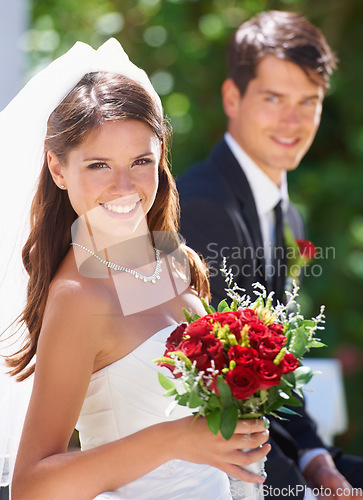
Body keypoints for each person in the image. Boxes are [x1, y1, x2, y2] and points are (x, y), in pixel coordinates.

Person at [0, 38, 271, 500]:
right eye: (99, 164)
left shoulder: (166, 255)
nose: (123, 187)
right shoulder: (78, 299)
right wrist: (176, 440)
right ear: (58, 169)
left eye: (140, 161)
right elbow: (32, 487)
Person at [177, 10, 363, 499]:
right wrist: (298, 489)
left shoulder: (290, 218)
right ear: (232, 98)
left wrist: (316, 458)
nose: (293, 120)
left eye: (310, 101)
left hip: (282, 450)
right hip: (223, 465)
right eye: (274, 98)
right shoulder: (200, 206)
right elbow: (222, 395)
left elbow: (272, 368)